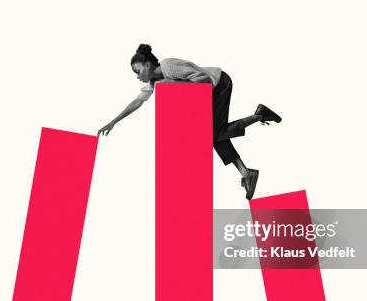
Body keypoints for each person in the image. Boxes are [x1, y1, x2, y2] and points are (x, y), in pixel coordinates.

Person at [98, 44, 281, 200]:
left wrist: (172, 85)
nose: (137, 76)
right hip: (206, 93)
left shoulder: (169, 66)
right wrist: (113, 122)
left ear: (148, 64)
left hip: (219, 84)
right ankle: (246, 172)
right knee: (212, 135)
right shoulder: (154, 82)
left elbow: (204, 80)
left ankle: (259, 117)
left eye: (138, 71)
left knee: (213, 134)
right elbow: (137, 102)